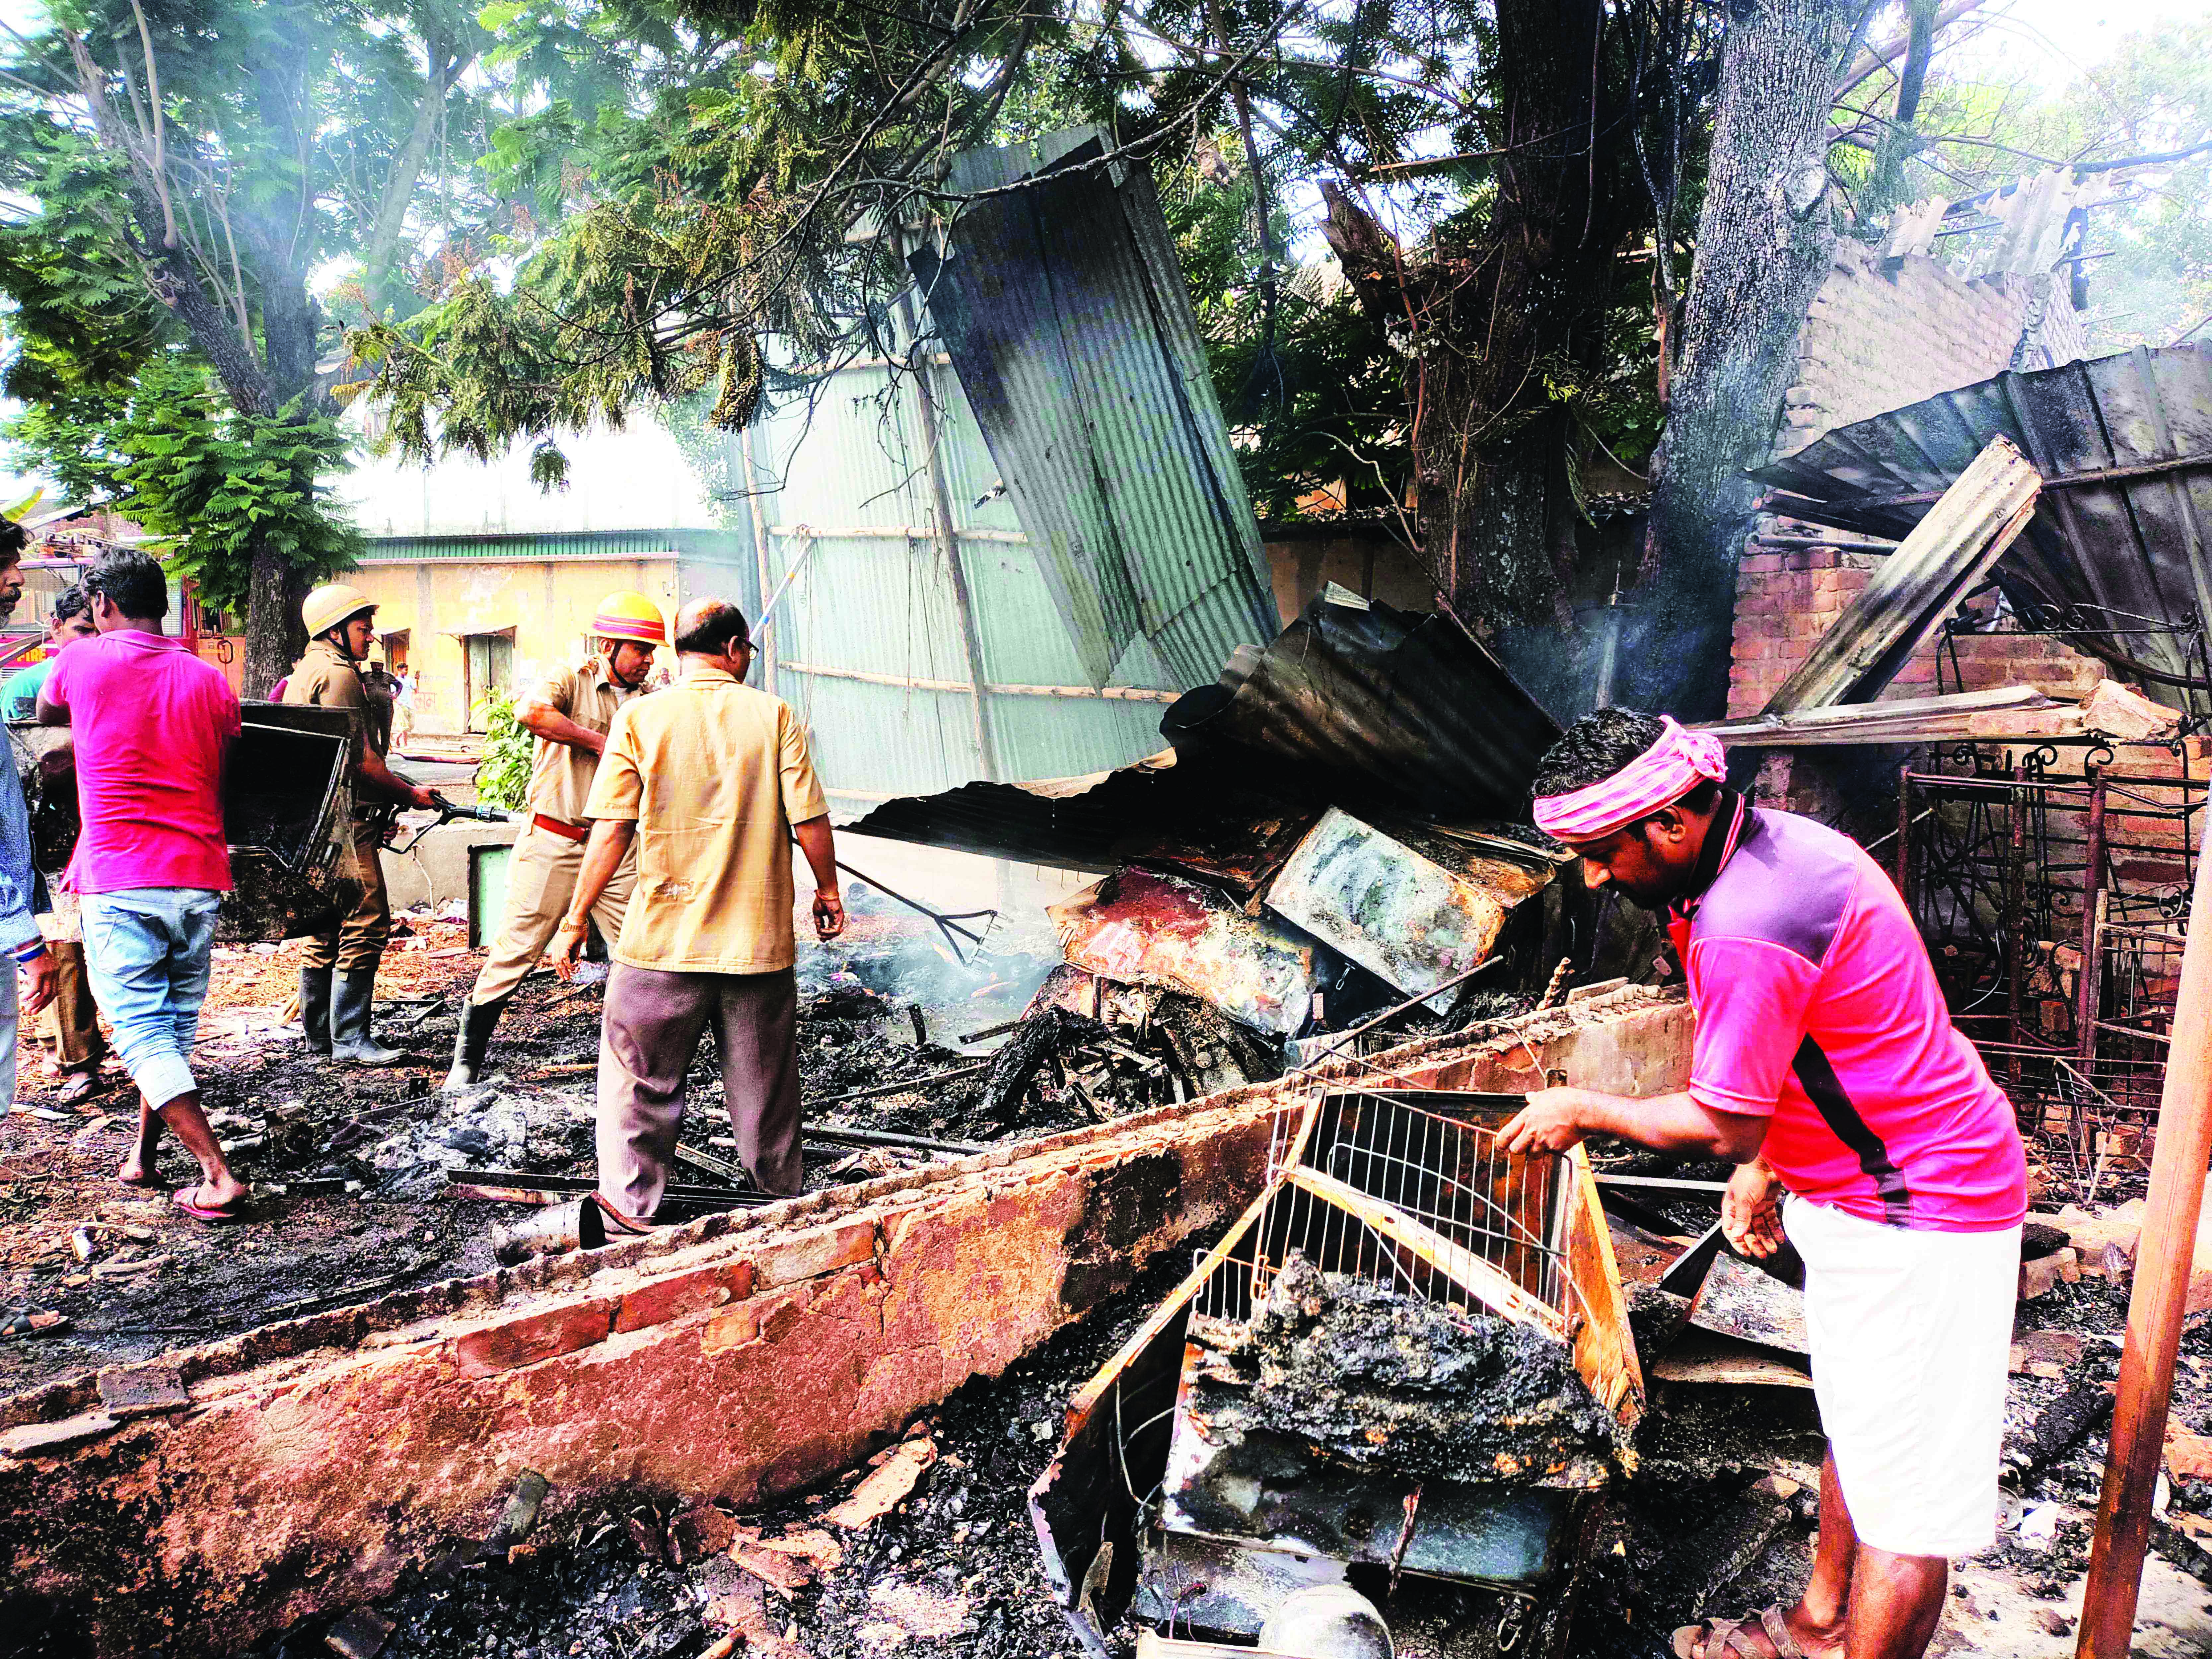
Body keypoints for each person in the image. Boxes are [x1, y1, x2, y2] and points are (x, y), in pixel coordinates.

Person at [1498, 708, 2026, 1659]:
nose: (1590, 876)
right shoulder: (1763, 854)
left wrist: (1582, 1106)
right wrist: (1767, 1165)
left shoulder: (1748, 920)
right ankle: (1819, 1625)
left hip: (1921, 1213)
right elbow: (1817, 1045)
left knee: (1908, 1511)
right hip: (1874, 1188)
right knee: (1866, 1430)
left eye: (1596, 852)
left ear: (1669, 823)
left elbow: (1720, 1115)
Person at [547, 598, 842, 1239]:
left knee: (638, 1081)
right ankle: (778, 1203)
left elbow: (611, 831)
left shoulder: (639, 717)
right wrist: (828, 892)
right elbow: (810, 819)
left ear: (679, 651)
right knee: (766, 1088)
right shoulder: (773, 716)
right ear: (735, 649)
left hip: (660, 943)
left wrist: (574, 920)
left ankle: (631, 1212)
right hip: (755, 948)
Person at [36, 549, 247, 1222]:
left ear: (101, 605)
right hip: (197, 879)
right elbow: (225, 760)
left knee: (141, 1035)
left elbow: (43, 715)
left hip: (122, 875)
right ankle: (144, 1156)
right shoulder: (209, 680)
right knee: (170, 1032)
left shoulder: (80, 661)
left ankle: (217, 1175)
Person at [446, 592, 665, 1090]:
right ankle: (466, 1061)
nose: (648, 661)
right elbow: (530, 713)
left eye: (652, 652)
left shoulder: (650, 701)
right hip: (554, 840)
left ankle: (644, 1061)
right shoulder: (571, 679)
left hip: (617, 847)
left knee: (642, 948)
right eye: (640, 650)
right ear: (609, 645)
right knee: (515, 952)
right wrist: (602, 744)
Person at [283, 584, 436, 1065]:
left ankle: (319, 1038)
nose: (370, 637)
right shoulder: (337, 675)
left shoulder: (309, 670)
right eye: (362, 628)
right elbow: (362, 761)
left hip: (323, 821)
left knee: (327, 925)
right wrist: (410, 794)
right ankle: (349, 1038)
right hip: (347, 824)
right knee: (367, 921)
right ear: (334, 630)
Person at [5, 586, 108, 1103]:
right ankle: (75, 1060)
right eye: (81, 632)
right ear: (56, 631)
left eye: (97, 630)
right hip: (40, 836)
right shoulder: (27, 687)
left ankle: (75, 1052)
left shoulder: (113, 676)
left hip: (99, 831)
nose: (91, 641)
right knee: (59, 950)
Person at [2, 585, 95, 720]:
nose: (95, 639)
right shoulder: (26, 685)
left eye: (102, 631)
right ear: (57, 627)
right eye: (84, 631)